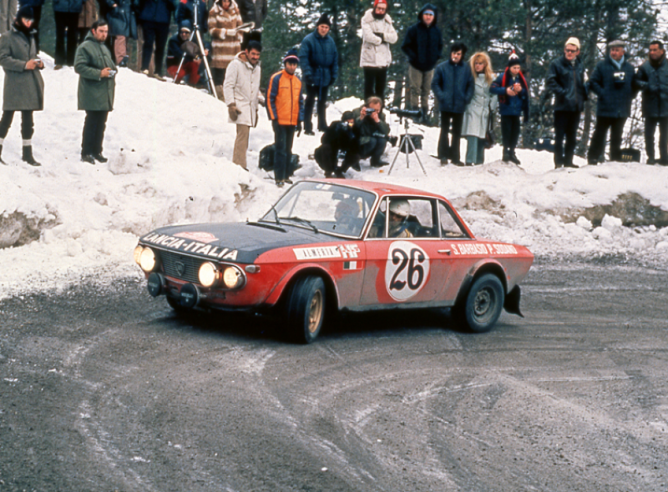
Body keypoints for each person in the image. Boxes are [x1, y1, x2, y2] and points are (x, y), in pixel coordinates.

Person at [0, 5, 44, 166]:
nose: (28, 23)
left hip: (28, 84)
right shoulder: (7, 37)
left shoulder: (31, 36)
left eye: (31, 20)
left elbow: (31, 55)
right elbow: (3, 59)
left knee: (28, 120)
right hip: (14, 83)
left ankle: (27, 154)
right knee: (7, 118)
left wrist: (37, 63)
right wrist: (24, 65)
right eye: (26, 19)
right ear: (17, 19)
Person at [74, 19, 116, 164]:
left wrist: (111, 71)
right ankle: (86, 152)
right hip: (92, 92)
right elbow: (79, 67)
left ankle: (97, 151)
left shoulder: (104, 47)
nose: (104, 34)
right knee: (92, 122)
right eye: (101, 31)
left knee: (101, 122)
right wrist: (99, 73)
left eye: (106, 31)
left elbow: (109, 65)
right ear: (93, 31)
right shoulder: (85, 47)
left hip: (104, 92)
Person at [587, 40, 636, 164]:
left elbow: (634, 85)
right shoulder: (602, 66)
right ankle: (593, 158)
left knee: (617, 135)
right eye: (612, 50)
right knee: (599, 134)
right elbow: (593, 82)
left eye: (616, 50)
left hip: (622, 108)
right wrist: (603, 93)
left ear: (623, 51)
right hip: (605, 107)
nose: (613, 53)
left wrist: (630, 96)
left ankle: (615, 159)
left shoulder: (629, 68)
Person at [546, 37, 588, 169]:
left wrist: (584, 97)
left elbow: (583, 83)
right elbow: (550, 81)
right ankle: (558, 162)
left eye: (572, 51)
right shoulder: (556, 64)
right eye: (567, 50)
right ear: (564, 50)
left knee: (572, 136)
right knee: (559, 136)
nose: (569, 53)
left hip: (576, 106)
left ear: (578, 52)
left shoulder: (580, 65)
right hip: (562, 106)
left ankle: (569, 161)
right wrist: (563, 93)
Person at [431, 42, 474, 165]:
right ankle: (443, 154)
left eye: (459, 54)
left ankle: (455, 157)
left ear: (462, 55)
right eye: (454, 53)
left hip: (459, 105)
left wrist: (466, 98)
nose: (456, 56)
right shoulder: (442, 67)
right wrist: (441, 96)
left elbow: (470, 85)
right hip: (446, 104)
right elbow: (435, 84)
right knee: (444, 130)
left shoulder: (466, 68)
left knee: (457, 132)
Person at [267, 48, 303, 187]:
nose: (292, 66)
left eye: (294, 64)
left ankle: (286, 175)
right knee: (280, 149)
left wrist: (299, 121)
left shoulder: (298, 82)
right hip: (280, 121)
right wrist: (273, 118)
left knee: (288, 149)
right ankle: (279, 177)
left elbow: (300, 102)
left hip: (292, 121)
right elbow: (270, 98)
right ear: (285, 63)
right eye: (290, 63)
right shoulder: (276, 78)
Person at [223, 39, 261, 169]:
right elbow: (228, 85)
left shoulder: (258, 69)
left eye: (257, 55)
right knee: (242, 136)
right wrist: (231, 105)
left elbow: (255, 91)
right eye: (253, 54)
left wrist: (255, 110)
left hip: (250, 108)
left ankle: (240, 164)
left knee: (245, 137)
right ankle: (239, 166)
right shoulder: (235, 64)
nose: (255, 57)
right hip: (239, 105)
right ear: (246, 52)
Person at [298, 14, 338, 135]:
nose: (324, 29)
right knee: (310, 101)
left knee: (322, 101)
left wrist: (333, 75)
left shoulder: (330, 41)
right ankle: (307, 126)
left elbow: (335, 59)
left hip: (325, 74)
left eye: (326, 27)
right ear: (317, 26)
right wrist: (308, 73)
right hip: (312, 73)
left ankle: (322, 124)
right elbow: (303, 58)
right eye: (322, 26)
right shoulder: (308, 39)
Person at [400, 3, 442, 117]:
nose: (428, 17)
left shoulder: (436, 31)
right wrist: (413, 56)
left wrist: (435, 57)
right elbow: (405, 46)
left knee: (426, 91)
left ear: (434, 17)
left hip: (430, 66)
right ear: (422, 15)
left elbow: (440, 46)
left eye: (430, 15)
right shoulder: (413, 29)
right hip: (415, 65)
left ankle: (424, 114)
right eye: (426, 14)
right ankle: (415, 113)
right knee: (415, 90)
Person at [490, 53, 529, 164]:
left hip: (517, 110)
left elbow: (525, 93)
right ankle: (505, 151)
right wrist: (505, 90)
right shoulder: (502, 77)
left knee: (515, 131)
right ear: (509, 67)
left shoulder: (521, 79)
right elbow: (492, 88)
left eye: (518, 68)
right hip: (506, 109)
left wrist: (520, 90)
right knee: (506, 131)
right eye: (514, 68)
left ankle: (512, 151)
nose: (516, 70)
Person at [634, 40, 668, 165]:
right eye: (650, 50)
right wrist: (647, 86)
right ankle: (651, 157)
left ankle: (665, 157)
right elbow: (636, 81)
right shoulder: (644, 67)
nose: (652, 52)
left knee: (665, 135)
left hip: (666, 105)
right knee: (649, 134)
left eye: (655, 50)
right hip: (650, 105)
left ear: (662, 51)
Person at [461, 51, 496, 166]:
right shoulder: (469, 77)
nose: (477, 66)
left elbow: (494, 94)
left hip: (485, 111)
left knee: (482, 137)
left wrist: (492, 108)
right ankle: (470, 160)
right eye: (476, 63)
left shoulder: (491, 78)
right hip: (472, 109)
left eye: (480, 63)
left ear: (485, 65)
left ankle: (479, 162)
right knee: (473, 136)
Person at [360, 0, 397, 102]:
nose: (381, 11)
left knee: (380, 89)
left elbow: (394, 38)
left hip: (383, 60)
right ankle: (368, 112)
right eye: (379, 8)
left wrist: (382, 36)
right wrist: (381, 40)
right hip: (369, 59)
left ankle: (379, 113)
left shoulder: (388, 21)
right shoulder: (366, 19)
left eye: (383, 9)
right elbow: (368, 36)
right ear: (374, 7)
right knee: (369, 89)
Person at [208, 0, 242, 100]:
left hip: (233, 46)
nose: (226, 4)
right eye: (224, 1)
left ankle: (231, 95)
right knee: (219, 71)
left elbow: (240, 25)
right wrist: (225, 32)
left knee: (232, 71)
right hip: (220, 47)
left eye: (228, 1)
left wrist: (239, 35)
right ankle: (219, 95)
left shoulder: (235, 10)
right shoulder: (213, 11)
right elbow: (211, 29)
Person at [137, 0, 175, 80]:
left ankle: (158, 71)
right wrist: (140, 15)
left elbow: (174, 5)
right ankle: (144, 68)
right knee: (148, 43)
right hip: (148, 17)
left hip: (163, 19)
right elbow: (139, 3)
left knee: (160, 46)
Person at [314, 111, 358, 178]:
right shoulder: (335, 125)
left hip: (344, 151)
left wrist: (349, 134)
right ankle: (328, 171)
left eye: (351, 123)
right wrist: (335, 130)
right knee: (325, 149)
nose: (349, 124)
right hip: (332, 149)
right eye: (347, 122)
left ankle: (340, 170)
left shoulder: (354, 129)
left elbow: (355, 145)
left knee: (355, 155)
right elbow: (324, 140)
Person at [352, 95, 391, 168]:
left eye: (378, 110)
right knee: (371, 141)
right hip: (358, 139)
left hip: (372, 137)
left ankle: (375, 160)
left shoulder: (381, 115)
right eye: (373, 110)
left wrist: (378, 121)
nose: (375, 112)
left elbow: (386, 131)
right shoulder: (357, 112)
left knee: (382, 140)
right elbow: (353, 129)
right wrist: (361, 118)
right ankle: (355, 158)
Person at [166, 21, 202, 86]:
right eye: (182, 32)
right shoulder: (174, 41)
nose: (184, 34)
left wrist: (197, 58)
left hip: (185, 64)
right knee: (180, 73)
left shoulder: (191, 40)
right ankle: (177, 81)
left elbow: (195, 52)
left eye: (186, 32)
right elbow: (179, 54)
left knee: (195, 65)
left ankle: (192, 84)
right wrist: (192, 59)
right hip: (174, 64)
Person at [52, 0, 84, 70]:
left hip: (74, 8)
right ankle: (59, 61)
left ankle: (71, 61)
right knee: (60, 34)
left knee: (73, 35)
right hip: (60, 8)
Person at [105, 0, 137, 66]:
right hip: (117, 14)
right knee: (120, 37)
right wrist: (112, 4)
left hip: (128, 13)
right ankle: (121, 60)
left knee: (125, 38)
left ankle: (123, 59)